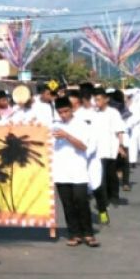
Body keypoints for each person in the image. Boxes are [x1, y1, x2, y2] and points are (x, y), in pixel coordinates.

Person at [49, 97, 98, 247]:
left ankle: (88, 233)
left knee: (81, 202)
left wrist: (67, 136)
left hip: (78, 171)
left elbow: (84, 147)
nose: (63, 115)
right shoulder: (54, 126)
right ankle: (74, 233)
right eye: (60, 112)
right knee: (67, 204)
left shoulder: (82, 125)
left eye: (66, 111)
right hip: (60, 172)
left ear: (72, 109)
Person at [89, 87, 126, 223]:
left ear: (106, 99)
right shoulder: (94, 114)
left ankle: (114, 196)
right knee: (101, 177)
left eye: (98, 99)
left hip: (111, 148)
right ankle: (103, 201)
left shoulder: (113, 113)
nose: (96, 102)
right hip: (98, 150)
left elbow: (119, 130)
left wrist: (121, 146)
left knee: (111, 175)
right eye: (95, 99)